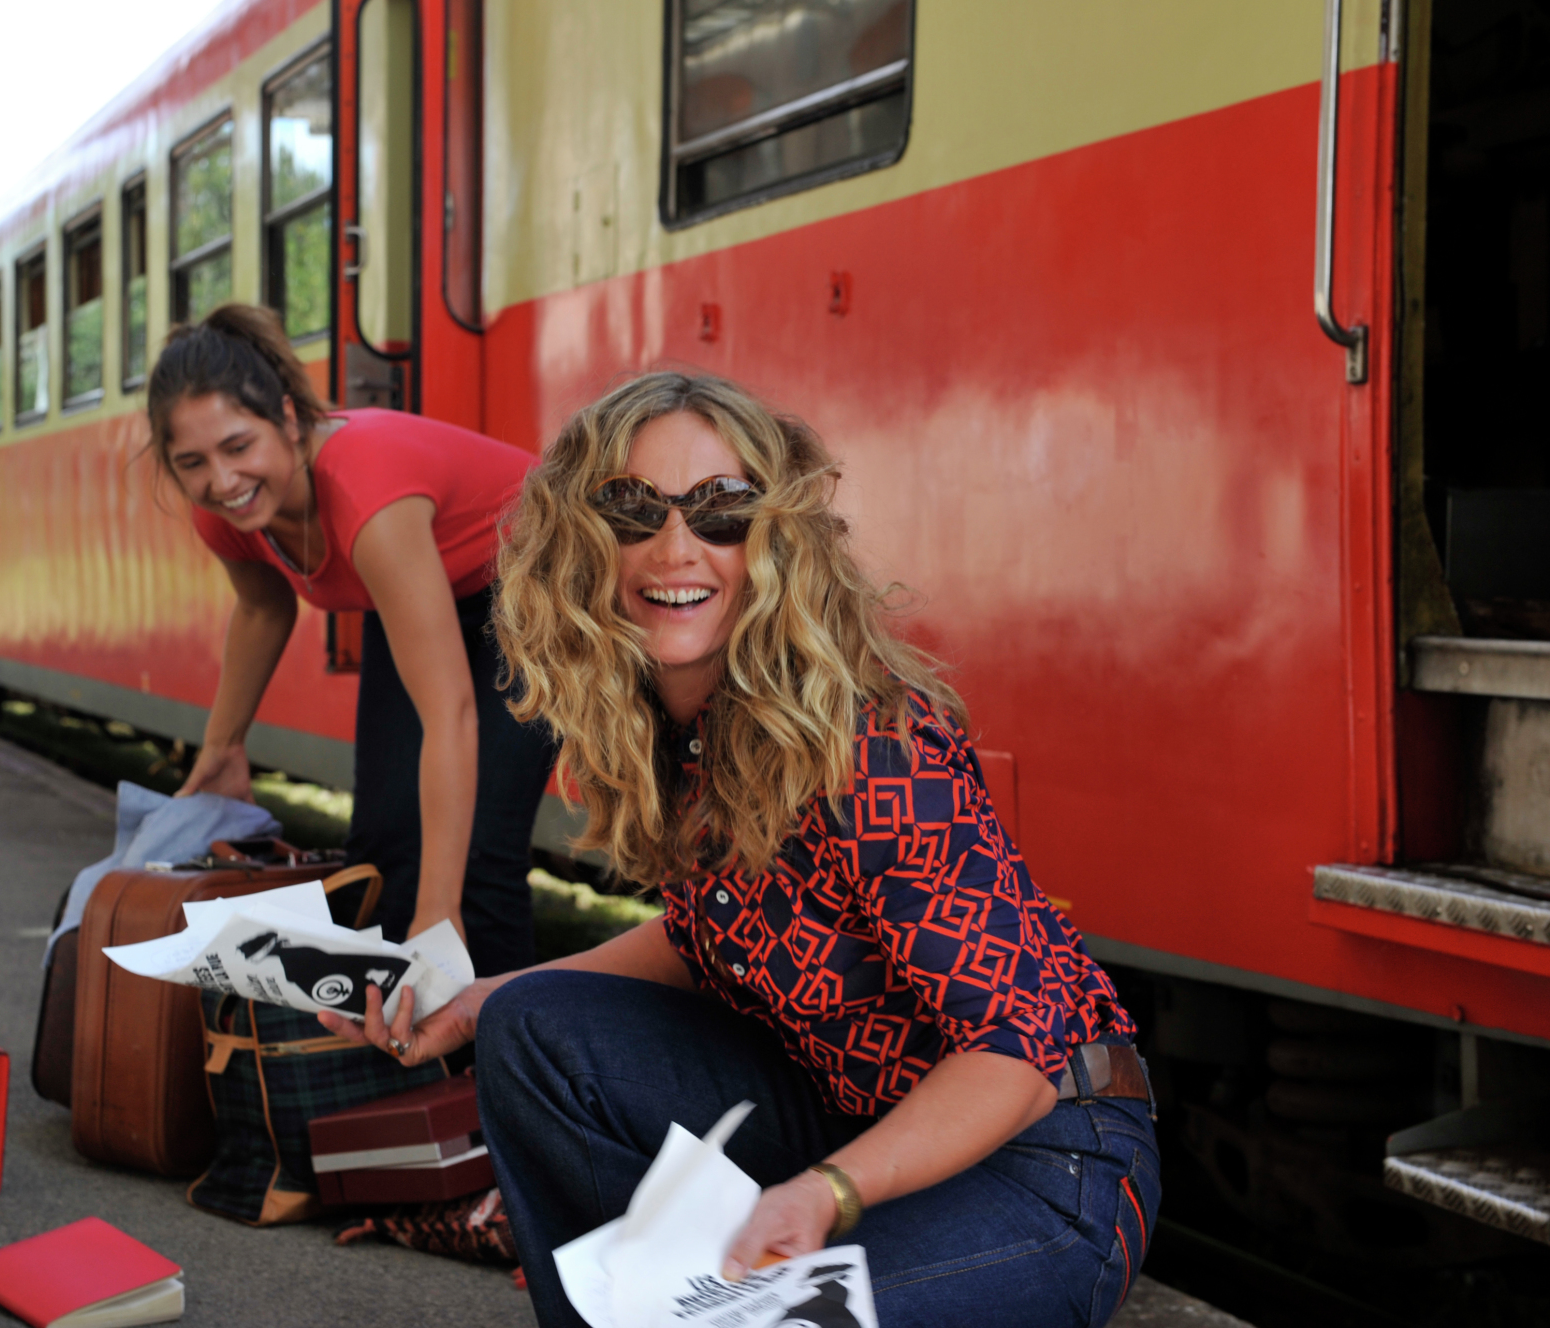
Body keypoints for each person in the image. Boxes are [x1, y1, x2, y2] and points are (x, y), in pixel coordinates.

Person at [321, 372, 1160, 1327]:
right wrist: (482, 1001)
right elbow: (704, 937)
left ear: (776, 540)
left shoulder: (870, 747)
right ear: (580, 542)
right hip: (848, 1110)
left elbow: (1015, 1050)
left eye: (723, 510)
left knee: (756, 1320)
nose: (677, 548)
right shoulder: (680, 728)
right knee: (535, 1028)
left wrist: (828, 1193)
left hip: (1044, 1158)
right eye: (632, 510)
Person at [151, 304, 557, 977]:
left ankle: (494, 1067)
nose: (221, 480)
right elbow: (261, 607)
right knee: (383, 850)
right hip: (438, 585)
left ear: (286, 419)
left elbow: (450, 714)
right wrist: (223, 747)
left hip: (540, 582)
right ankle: (402, 1052)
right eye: (191, 462)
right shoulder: (226, 512)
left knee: (474, 862)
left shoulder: (366, 491)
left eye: (238, 447)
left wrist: (438, 911)